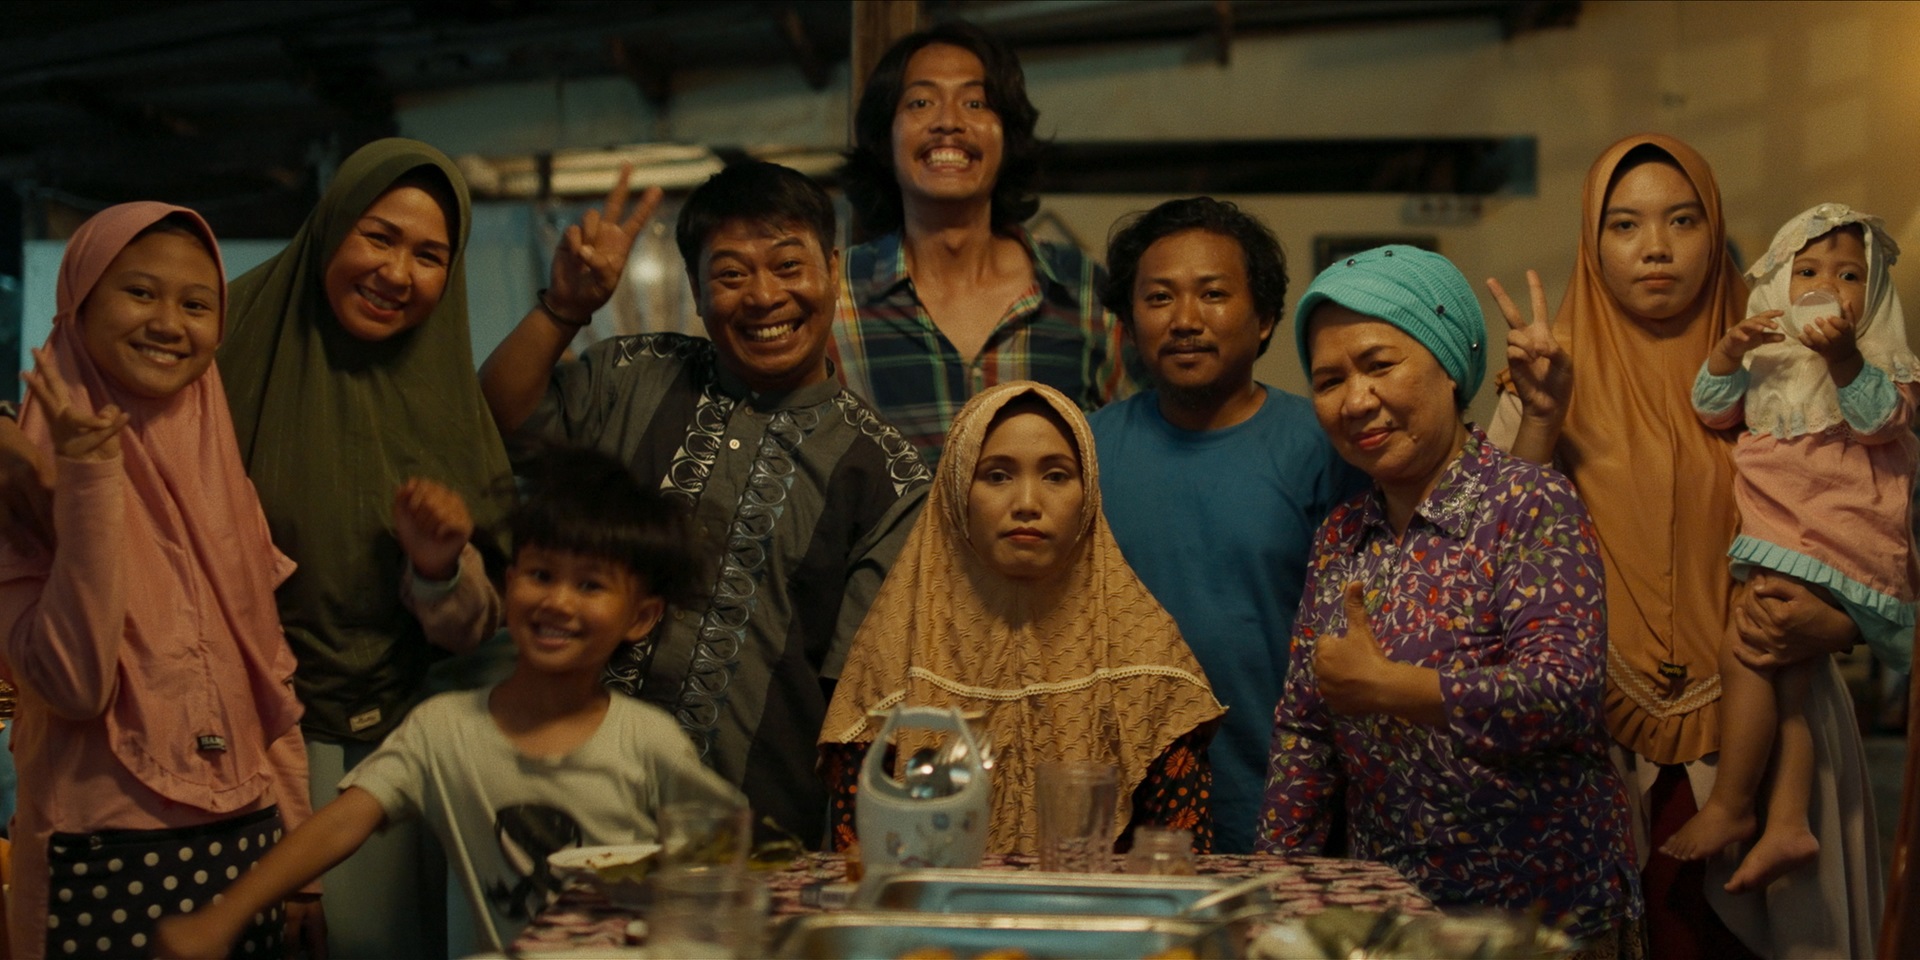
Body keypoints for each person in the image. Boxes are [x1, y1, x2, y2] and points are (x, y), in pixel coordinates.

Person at [1487, 133, 1882, 957]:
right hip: (1593, 733)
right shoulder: (1546, 369)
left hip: (1779, 713)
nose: (1656, 247)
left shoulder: (1794, 361)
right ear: (1592, 241)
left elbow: (1882, 518)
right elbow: (1496, 559)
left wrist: (1841, 622)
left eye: (1682, 220)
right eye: (1625, 225)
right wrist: (1543, 416)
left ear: (1718, 230)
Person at [480, 160, 929, 850]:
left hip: (761, 840)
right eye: (730, 274)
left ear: (833, 271)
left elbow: (863, 697)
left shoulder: (887, 475)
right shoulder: (631, 377)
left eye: (788, 266)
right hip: (573, 812)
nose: (764, 296)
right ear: (694, 289)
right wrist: (563, 309)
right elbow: (496, 421)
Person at [152, 446, 740, 957]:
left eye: (590, 585)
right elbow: (341, 824)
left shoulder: (648, 742)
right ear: (508, 583)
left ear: (640, 617)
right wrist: (222, 917)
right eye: (541, 574)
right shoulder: (443, 730)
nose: (558, 602)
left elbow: (726, 854)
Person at [1262, 245, 1641, 953]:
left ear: (1448, 366)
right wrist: (1274, 894)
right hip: (1390, 920)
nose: (1355, 400)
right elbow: (1304, 732)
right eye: (1329, 380)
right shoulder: (1341, 534)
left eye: (1379, 365)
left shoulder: (1527, 502)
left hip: (1539, 926)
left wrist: (1392, 688)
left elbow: (1564, 691)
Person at [0, 203, 313, 960]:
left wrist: (301, 871)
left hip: (246, 847)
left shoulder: (220, 476)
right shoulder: (21, 480)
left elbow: (265, 679)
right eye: (140, 292)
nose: (169, 323)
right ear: (79, 303)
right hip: (95, 857)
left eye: (196, 305)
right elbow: (76, 686)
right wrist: (89, 481)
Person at [820, 381, 1223, 855]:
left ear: (1088, 493)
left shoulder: (1149, 659)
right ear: (956, 491)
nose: (1027, 502)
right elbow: (860, 855)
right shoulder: (893, 655)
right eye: (996, 476)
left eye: (1056, 475)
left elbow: (1177, 862)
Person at [1090, 198, 1366, 853]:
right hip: (1120, 812)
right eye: (1159, 298)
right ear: (1129, 322)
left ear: (1264, 318)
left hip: (1283, 806)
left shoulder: (1324, 447)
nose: (1185, 320)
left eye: (1213, 294)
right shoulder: (1086, 450)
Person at [1663, 205, 1918, 893]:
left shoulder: (1879, 361)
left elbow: (1881, 421)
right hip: (1786, 536)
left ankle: (1731, 804)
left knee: (1744, 651)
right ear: (1778, 284)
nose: (1826, 286)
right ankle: (1786, 823)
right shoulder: (1770, 356)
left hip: (1829, 540)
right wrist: (1726, 354)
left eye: (1850, 275)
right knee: (1790, 686)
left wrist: (1843, 358)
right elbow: (1713, 408)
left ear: (1876, 292)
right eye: (1807, 271)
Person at [834, 20, 1134, 467]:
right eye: (921, 102)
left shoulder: (1081, 288)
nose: (948, 122)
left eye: (975, 103)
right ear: (884, 137)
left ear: (1008, 136)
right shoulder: (835, 294)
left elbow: (1140, 444)